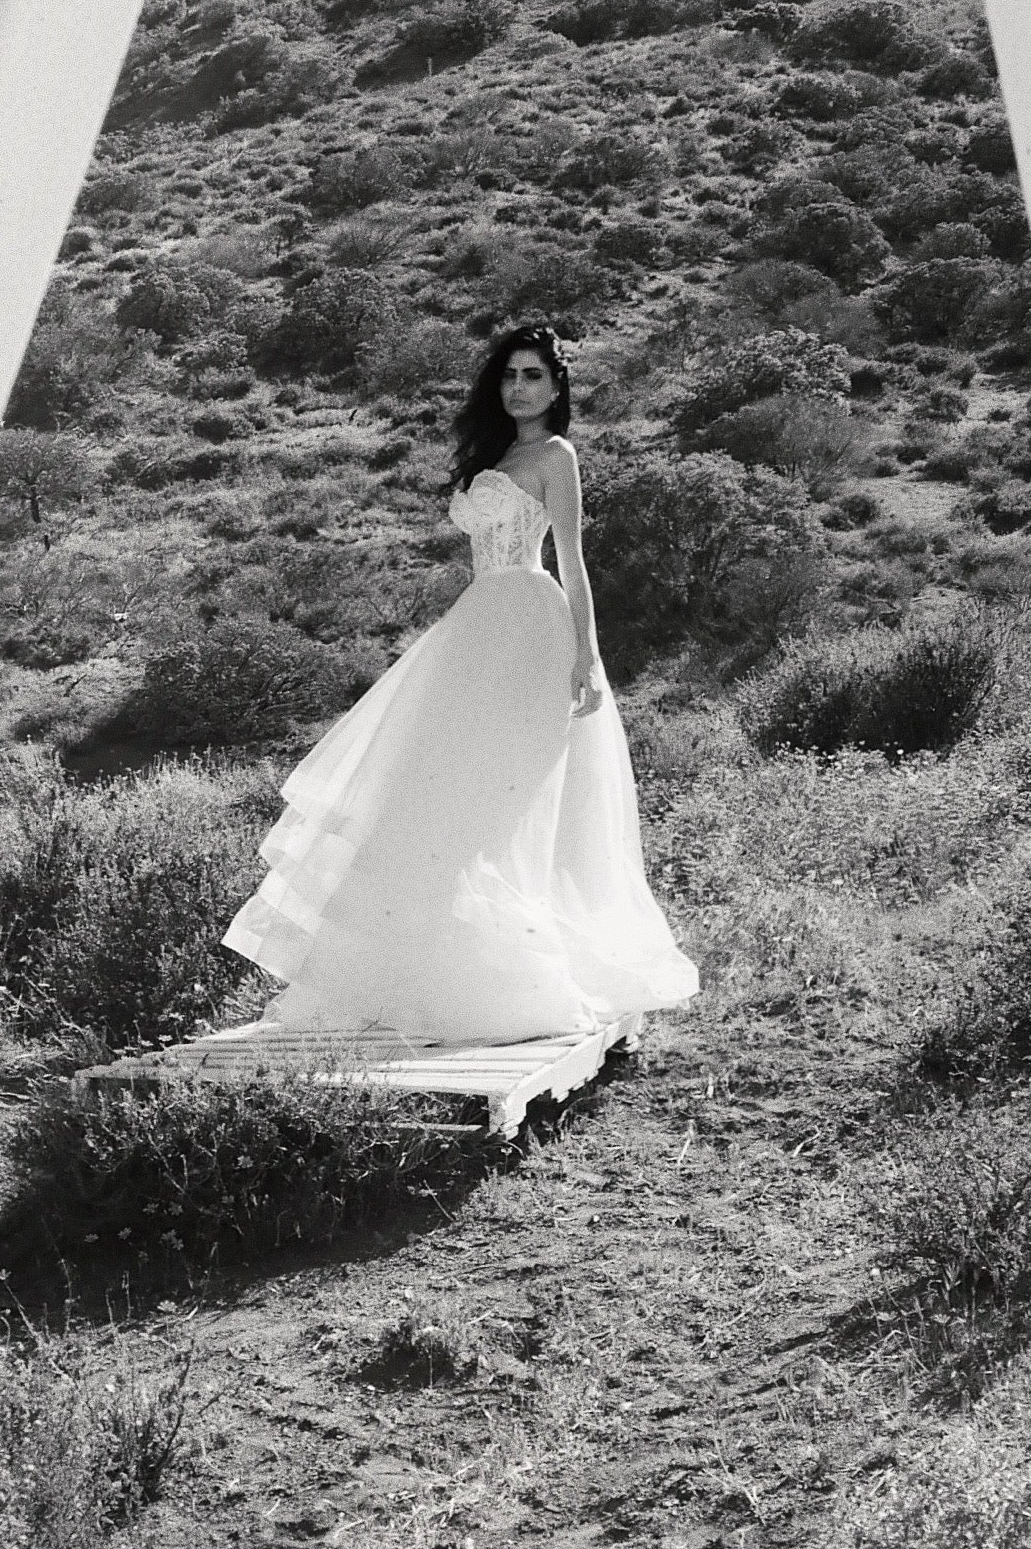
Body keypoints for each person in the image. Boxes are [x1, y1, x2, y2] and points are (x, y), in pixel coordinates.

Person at [222, 317, 700, 1044]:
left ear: (557, 386)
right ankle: (434, 973)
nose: (518, 387)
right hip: (478, 621)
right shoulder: (495, 453)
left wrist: (587, 655)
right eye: (508, 374)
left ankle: (515, 973)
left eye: (533, 375)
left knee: (504, 791)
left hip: (531, 621)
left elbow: (571, 558)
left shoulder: (557, 455)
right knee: (440, 789)